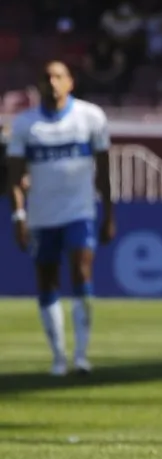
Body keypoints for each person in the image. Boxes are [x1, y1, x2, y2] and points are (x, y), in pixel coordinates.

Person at [5, 60, 115, 376]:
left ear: (70, 82)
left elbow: (104, 171)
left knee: (82, 270)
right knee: (47, 280)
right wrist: (18, 216)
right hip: (41, 216)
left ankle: (81, 356)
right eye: (46, 77)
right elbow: (15, 177)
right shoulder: (26, 124)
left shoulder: (91, 117)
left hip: (79, 211)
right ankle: (58, 357)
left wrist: (109, 214)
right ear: (38, 85)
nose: (52, 82)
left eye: (58, 76)